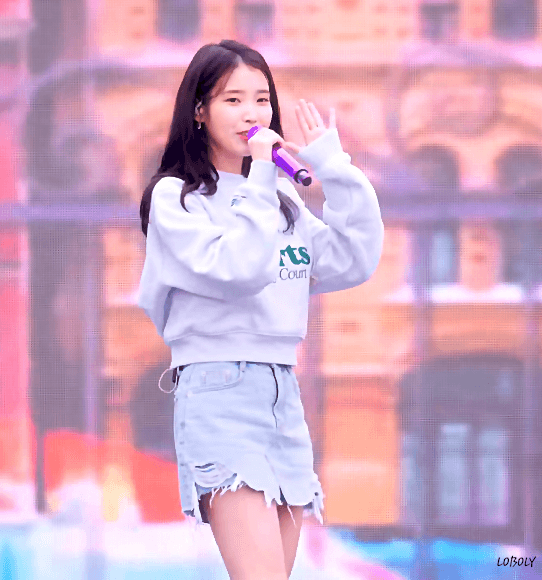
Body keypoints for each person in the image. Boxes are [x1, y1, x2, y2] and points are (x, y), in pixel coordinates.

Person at [137, 39, 384, 580]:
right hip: (218, 389)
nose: (252, 114)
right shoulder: (176, 199)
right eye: (232, 100)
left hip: (282, 392)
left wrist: (334, 168)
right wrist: (262, 177)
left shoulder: (282, 199)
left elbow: (353, 257)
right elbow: (239, 270)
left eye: (261, 99)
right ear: (199, 111)